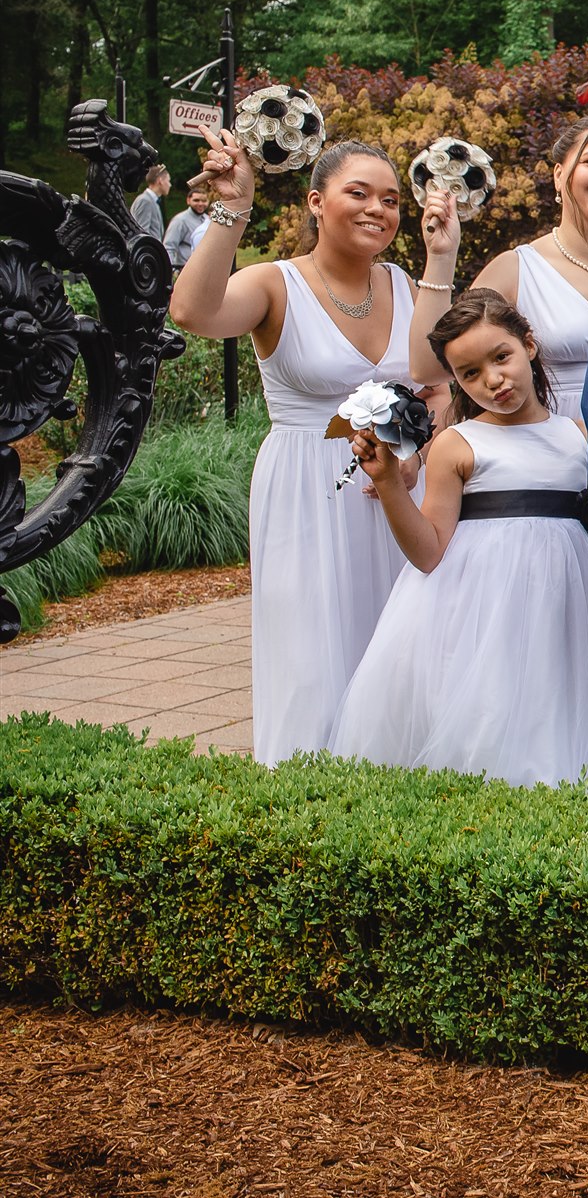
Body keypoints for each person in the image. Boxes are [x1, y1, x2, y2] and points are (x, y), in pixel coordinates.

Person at [329, 291, 588, 788]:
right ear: (457, 381)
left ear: (528, 345)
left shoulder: (580, 435)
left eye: (500, 357)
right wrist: (392, 483)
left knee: (562, 716)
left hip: (569, 607)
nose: (493, 380)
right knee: (490, 724)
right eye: (470, 373)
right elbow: (428, 550)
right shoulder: (458, 444)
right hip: (480, 616)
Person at [169, 132, 417, 765]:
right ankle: (300, 798)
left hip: (392, 494)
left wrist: (414, 459)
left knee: (395, 655)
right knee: (311, 659)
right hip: (305, 488)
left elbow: (434, 389)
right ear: (315, 201)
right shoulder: (274, 283)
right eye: (357, 193)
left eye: (390, 200)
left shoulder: (405, 286)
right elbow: (193, 312)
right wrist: (232, 209)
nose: (377, 210)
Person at [409, 114, 588, 423]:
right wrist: (441, 257)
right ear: (558, 175)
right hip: (547, 459)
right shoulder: (517, 270)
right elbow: (429, 369)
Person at [163, 176, 211, 270]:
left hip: (203, 268)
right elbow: (169, 247)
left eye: (204, 201)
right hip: (183, 269)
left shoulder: (207, 220)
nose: (200, 204)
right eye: (196, 200)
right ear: (188, 200)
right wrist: (169, 271)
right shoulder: (180, 220)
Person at [129, 165, 170, 241]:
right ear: (160, 181)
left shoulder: (152, 201)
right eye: (168, 181)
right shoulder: (145, 201)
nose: (170, 185)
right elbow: (141, 234)